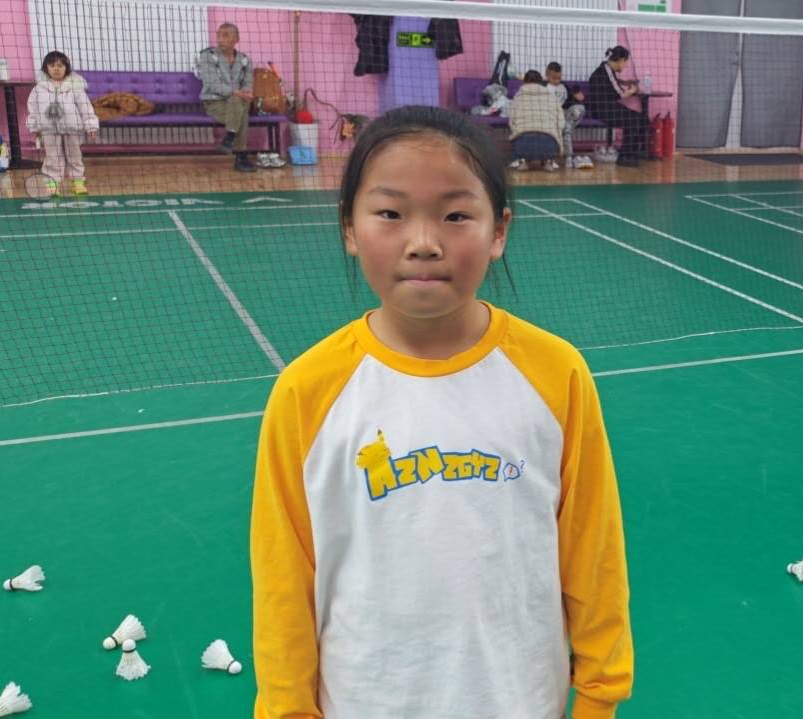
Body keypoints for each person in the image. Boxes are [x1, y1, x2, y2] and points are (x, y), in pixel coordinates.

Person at [250, 105, 633, 718]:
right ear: (349, 228)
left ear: (498, 231)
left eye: (456, 216)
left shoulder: (556, 374)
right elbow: (282, 579)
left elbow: (594, 551)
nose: (424, 243)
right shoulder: (306, 391)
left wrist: (599, 696)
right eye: (390, 214)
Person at [26, 51, 99, 196]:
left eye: (60, 66)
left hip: (72, 128)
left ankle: (78, 183)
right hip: (48, 129)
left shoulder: (75, 86)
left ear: (66, 68)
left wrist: (91, 125)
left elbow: (85, 107)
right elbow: (33, 108)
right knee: (52, 158)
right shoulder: (39, 88)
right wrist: (34, 127)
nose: (56, 69)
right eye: (52, 66)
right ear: (46, 68)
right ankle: (52, 184)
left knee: (74, 156)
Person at [196, 22, 257, 172]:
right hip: (214, 103)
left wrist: (247, 93)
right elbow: (212, 84)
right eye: (218, 35)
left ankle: (229, 138)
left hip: (237, 102)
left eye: (225, 35)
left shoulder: (245, 60)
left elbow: (248, 83)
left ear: (236, 39)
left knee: (239, 102)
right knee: (241, 112)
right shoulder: (207, 56)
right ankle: (240, 156)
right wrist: (237, 93)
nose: (220, 39)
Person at [587, 45, 649, 167]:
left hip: (609, 107)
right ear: (621, 60)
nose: (626, 66)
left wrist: (625, 83)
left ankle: (635, 152)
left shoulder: (606, 70)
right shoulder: (605, 71)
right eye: (626, 63)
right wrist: (633, 90)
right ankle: (624, 156)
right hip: (602, 110)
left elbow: (612, 85)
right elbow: (620, 93)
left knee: (642, 118)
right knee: (633, 120)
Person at [508, 69, 564, 171]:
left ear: (524, 82)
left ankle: (523, 160)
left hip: (522, 145)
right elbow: (561, 123)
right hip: (549, 145)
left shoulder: (518, 98)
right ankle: (548, 161)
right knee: (547, 137)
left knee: (518, 135)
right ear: (541, 83)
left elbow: (512, 123)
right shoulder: (551, 98)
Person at [547, 60, 592, 169]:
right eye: (554, 78)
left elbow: (571, 102)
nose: (557, 81)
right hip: (550, 115)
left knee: (579, 109)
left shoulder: (564, 87)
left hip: (565, 114)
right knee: (566, 128)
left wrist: (579, 99)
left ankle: (568, 153)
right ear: (547, 75)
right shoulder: (544, 87)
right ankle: (568, 156)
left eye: (559, 78)